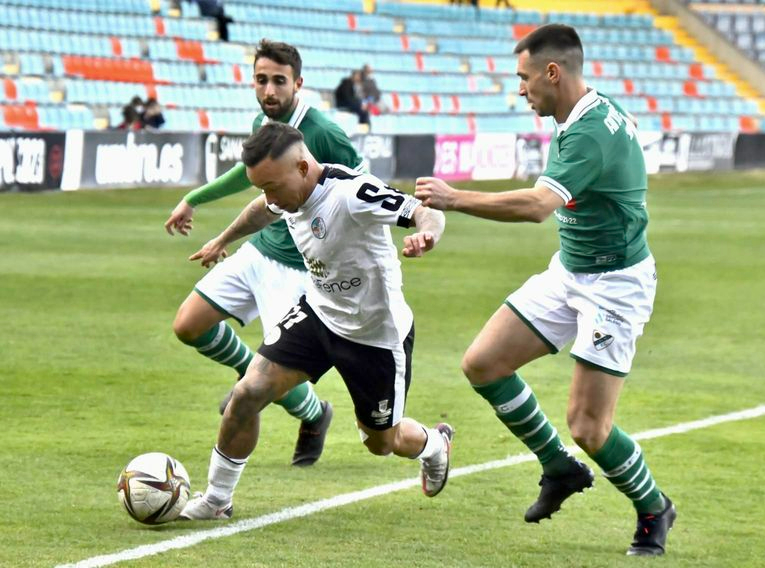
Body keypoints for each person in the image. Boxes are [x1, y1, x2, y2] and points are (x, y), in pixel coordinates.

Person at [414, 24, 676, 556]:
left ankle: (654, 507)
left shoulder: (589, 132)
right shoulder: (580, 115)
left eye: (524, 77)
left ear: (552, 73)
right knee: (483, 362)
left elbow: (537, 206)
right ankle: (558, 469)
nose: (520, 88)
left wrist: (454, 198)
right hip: (571, 271)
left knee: (589, 426)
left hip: (614, 285)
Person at [179, 122, 452, 520]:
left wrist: (426, 236)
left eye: (273, 186)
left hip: (375, 335)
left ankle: (433, 445)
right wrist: (224, 238)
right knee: (247, 393)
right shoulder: (284, 193)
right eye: (262, 187)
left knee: (381, 443)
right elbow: (262, 209)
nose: (270, 197)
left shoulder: (352, 192)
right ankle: (217, 499)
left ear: (304, 168)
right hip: (319, 315)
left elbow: (425, 212)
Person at [164, 40, 365, 467]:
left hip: (301, 271)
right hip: (260, 251)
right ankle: (261, 380)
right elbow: (250, 174)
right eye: (261, 80)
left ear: (298, 83)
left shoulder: (325, 134)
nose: (269, 90)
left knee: (274, 374)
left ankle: (313, 413)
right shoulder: (265, 120)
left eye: (279, 81)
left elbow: (365, 190)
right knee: (189, 325)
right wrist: (195, 200)